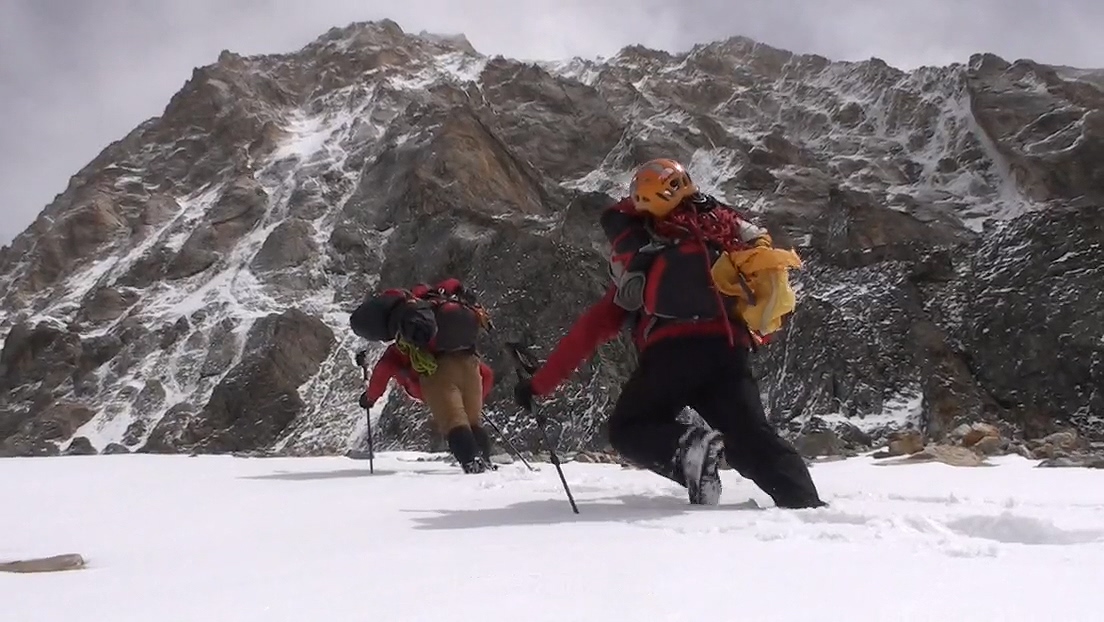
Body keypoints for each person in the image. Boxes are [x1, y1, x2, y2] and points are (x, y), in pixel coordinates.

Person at [513, 158, 825, 508]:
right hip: (727, 351)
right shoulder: (722, 249)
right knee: (752, 436)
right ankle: (806, 505)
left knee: (631, 427)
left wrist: (539, 384)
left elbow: (591, 330)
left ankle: (692, 453)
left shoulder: (643, 265)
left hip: (670, 354)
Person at [350, 277, 498, 474]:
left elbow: (381, 373)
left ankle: (473, 466)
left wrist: (369, 399)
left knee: (454, 421)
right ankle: (484, 463)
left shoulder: (400, 349)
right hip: (470, 362)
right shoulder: (436, 301)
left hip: (437, 375)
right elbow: (452, 283)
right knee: (472, 421)